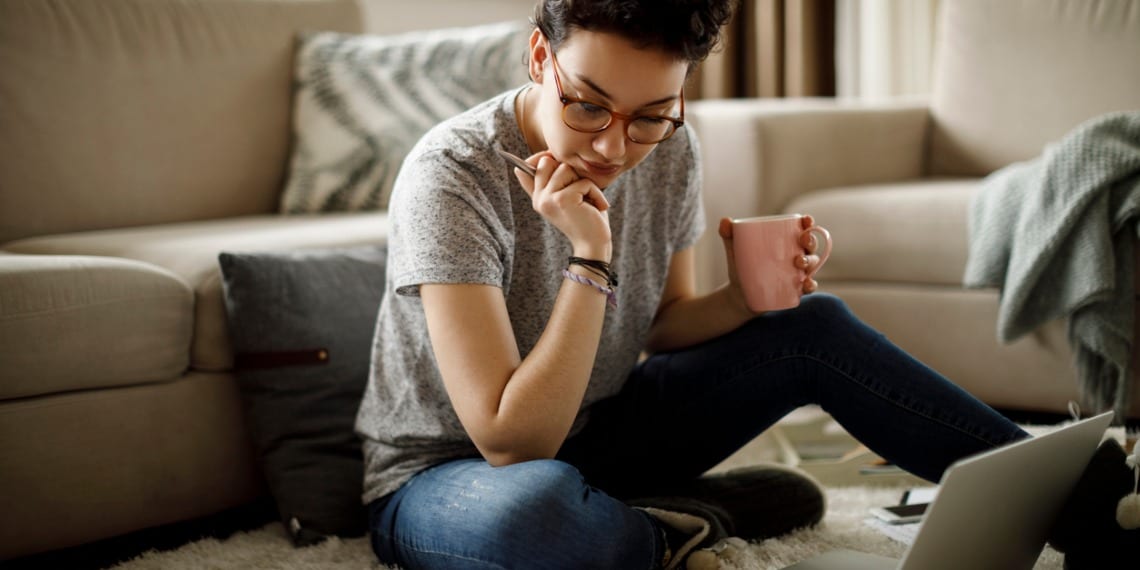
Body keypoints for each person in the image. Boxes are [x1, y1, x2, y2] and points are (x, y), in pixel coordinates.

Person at [354, 1, 1030, 568]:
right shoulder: (453, 174)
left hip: (602, 430)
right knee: (532, 520)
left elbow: (664, 325)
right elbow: (511, 441)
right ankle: (679, 523)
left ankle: (1077, 493)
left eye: (651, 114)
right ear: (539, 58)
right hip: (449, 475)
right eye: (589, 106)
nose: (615, 148)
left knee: (813, 326)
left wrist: (740, 299)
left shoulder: (672, 146)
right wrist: (590, 256)